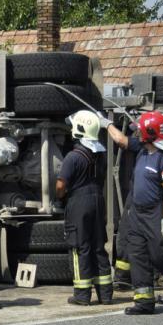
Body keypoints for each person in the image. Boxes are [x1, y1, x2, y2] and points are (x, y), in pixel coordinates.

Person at [104, 111, 163, 315]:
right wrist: (106, 124)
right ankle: (144, 302)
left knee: (158, 255)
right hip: (136, 213)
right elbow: (121, 140)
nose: (137, 135)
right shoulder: (142, 148)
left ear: (151, 134)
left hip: (155, 213)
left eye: (140, 131)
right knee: (137, 255)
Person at [56, 110, 114, 305]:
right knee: (98, 246)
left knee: (80, 247)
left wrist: (60, 198)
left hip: (79, 202)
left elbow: (61, 185)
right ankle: (105, 294)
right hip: (98, 200)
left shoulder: (73, 157)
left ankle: (82, 295)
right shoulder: (101, 154)